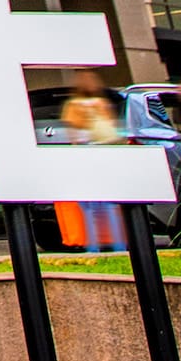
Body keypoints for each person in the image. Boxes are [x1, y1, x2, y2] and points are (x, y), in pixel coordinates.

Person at [60, 71, 125, 253]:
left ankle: (95, 246)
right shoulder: (101, 103)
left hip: (88, 155)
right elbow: (112, 129)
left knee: (90, 206)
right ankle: (117, 245)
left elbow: (73, 134)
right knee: (109, 205)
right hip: (104, 153)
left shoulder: (74, 105)